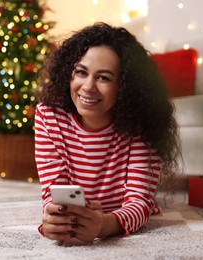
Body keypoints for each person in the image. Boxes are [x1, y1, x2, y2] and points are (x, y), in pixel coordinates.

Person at [34, 22, 180, 245]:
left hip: (117, 216)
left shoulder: (144, 122)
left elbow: (139, 203)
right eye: (81, 72)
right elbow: (52, 193)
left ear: (124, 87)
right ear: (68, 74)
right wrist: (55, 219)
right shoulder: (49, 116)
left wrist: (102, 225)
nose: (88, 87)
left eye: (103, 78)